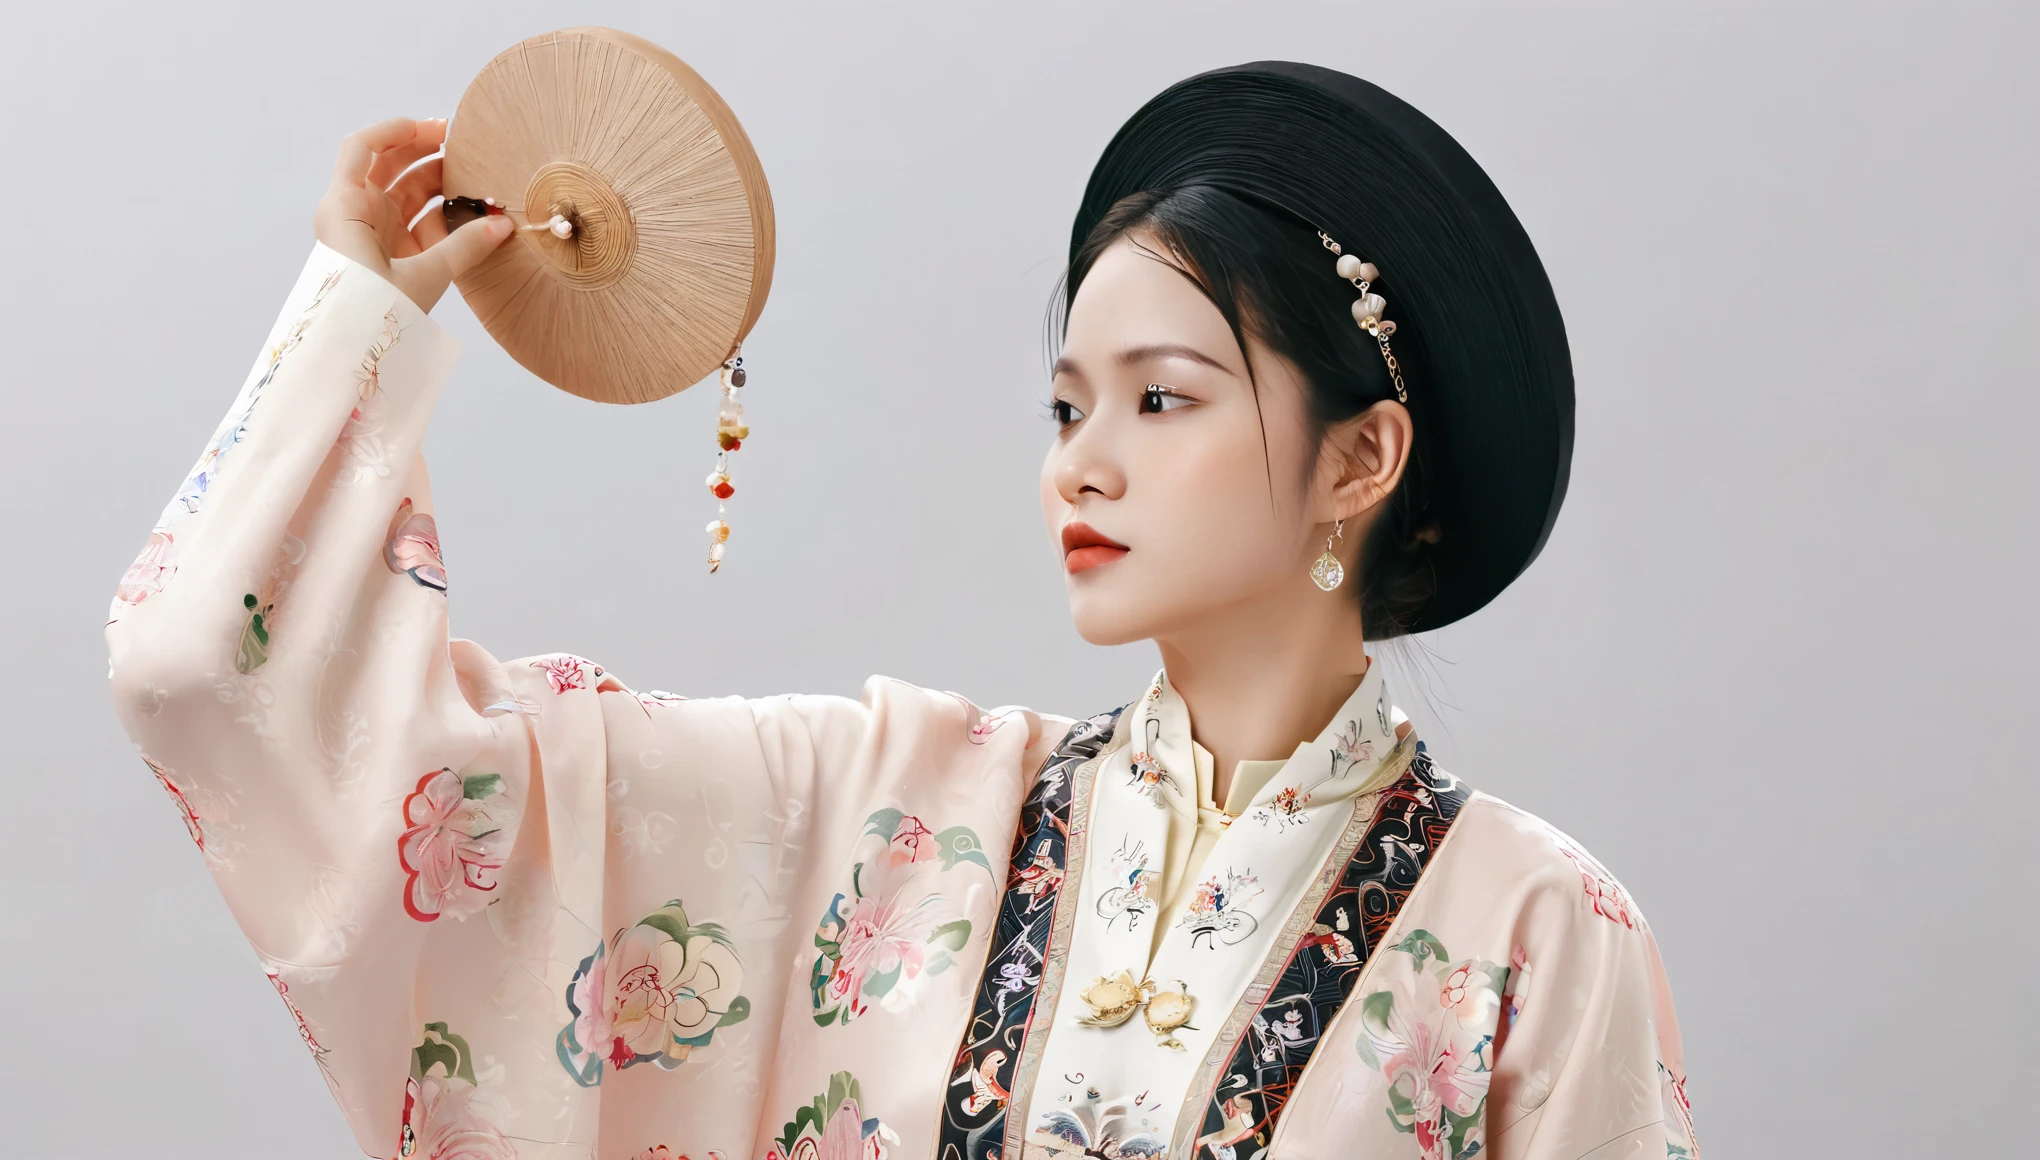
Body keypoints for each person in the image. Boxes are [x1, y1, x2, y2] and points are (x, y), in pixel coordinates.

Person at [105, 63, 1697, 1160]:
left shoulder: (1536, 933)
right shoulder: (895, 827)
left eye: (1162, 399)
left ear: (1364, 454)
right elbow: (228, 687)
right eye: (1067, 405)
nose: (1083, 463)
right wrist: (359, 318)